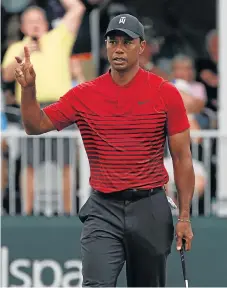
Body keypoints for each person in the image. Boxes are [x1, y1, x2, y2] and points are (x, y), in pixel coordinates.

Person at [15, 14, 195, 287]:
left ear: (141, 47)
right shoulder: (84, 94)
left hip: (150, 207)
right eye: (113, 41)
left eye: (127, 42)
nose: (119, 48)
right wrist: (29, 90)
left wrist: (184, 217)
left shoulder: (165, 93)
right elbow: (34, 125)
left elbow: (182, 159)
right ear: (106, 46)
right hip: (103, 209)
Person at [2, 0, 86, 214]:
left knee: (66, 163)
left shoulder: (58, 37)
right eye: (30, 22)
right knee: (30, 165)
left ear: (46, 23)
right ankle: (28, 214)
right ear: (22, 27)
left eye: (39, 20)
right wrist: (22, 53)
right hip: (31, 109)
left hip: (61, 107)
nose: (35, 25)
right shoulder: (15, 47)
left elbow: (78, 8)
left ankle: (68, 213)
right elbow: (6, 75)